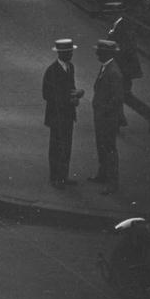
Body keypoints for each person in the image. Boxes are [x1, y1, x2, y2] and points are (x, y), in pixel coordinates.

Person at [105, 10, 150, 132]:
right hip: (122, 67)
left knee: (119, 93)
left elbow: (125, 48)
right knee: (122, 94)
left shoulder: (122, 25)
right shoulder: (119, 23)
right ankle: (148, 115)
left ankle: (120, 121)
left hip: (123, 68)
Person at [42, 38, 83, 187]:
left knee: (66, 146)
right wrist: (69, 99)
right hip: (57, 115)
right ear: (60, 53)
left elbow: (69, 87)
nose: (71, 55)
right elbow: (47, 94)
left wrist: (75, 94)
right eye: (68, 52)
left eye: (71, 52)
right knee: (56, 147)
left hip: (67, 115)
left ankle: (63, 176)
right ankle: (55, 177)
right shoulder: (52, 71)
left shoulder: (70, 67)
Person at [89, 37, 124, 193]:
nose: (97, 54)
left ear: (105, 53)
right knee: (102, 146)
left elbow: (117, 98)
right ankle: (102, 175)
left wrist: (103, 111)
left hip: (107, 118)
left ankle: (112, 184)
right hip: (103, 116)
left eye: (99, 52)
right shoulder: (107, 67)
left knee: (109, 149)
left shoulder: (113, 72)